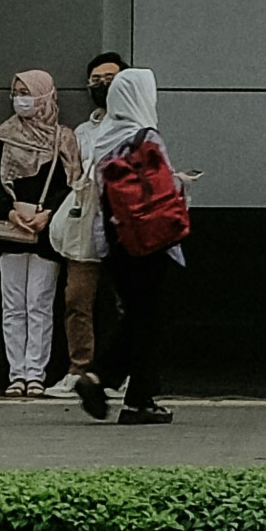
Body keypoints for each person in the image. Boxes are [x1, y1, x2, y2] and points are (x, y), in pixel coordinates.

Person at [76, 60, 184, 428]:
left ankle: (100, 378)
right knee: (152, 322)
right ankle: (139, 400)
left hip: (116, 242)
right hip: (150, 243)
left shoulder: (105, 138)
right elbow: (163, 191)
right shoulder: (146, 136)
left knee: (137, 318)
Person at [0, 65, 77, 394]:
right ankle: (16, 374)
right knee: (12, 304)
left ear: (45, 95)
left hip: (46, 231)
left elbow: (71, 184)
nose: (20, 100)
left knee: (40, 302)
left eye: (27, 93)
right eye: (17, 93)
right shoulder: (3, 136)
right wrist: (10, 212)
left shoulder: (63, 138)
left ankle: (36, 373)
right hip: (9, 229)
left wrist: (48, 214)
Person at [57, 46, 125, 414]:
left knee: (121, 303)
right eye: (96, 80)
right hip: (84, 223)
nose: (101, 86)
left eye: (109, 80)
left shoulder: (134, 124)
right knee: (76, 299)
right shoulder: (82, 131)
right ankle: (80, 370)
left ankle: (116, 372)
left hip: (119, 225)